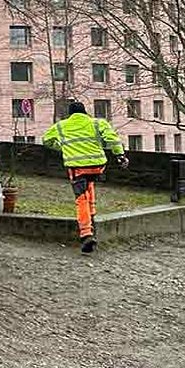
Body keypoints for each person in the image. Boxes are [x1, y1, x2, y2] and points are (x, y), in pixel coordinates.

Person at [42, 101, 128, 254]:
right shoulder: (97, 123)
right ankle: (92, 216)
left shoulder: (61, 126)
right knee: (89, 187)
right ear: (85, 112)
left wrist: (62, 148)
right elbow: (112, 139)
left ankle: (86, 234)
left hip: (77, 168)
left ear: (70, 114)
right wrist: (120, 156)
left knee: (81, 198)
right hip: (98, 166)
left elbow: (46, 140)